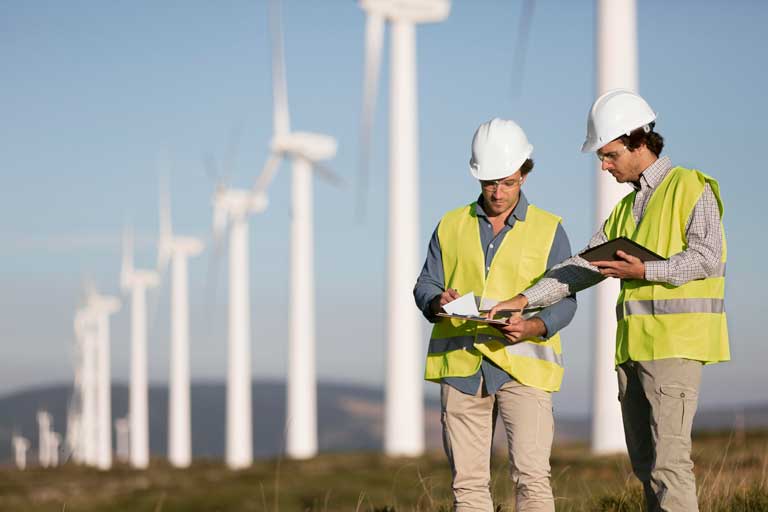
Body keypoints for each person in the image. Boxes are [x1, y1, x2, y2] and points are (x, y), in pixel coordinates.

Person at [489, 90, 730, 512]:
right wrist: (523, 299)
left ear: (638, 141)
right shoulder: (624, 212)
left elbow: (709, 258)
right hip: (633, 353)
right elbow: (579, 268)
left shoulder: (690, 186)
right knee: (647, 467)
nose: (604, 166)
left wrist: (645, 271)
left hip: (675, 349)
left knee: (670, 466)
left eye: (609, 154)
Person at [414, 118, 577, 512]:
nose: (498, 192)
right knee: (467, 487)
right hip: (461, 367)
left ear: (524, 172)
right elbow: (425, 285)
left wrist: (534, 326)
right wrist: (439, 302)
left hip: (524, 369)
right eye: (489, 183)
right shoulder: (450, 225)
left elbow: (566, 300)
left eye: (507, 182)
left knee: (532, 480)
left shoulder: (548, 229)